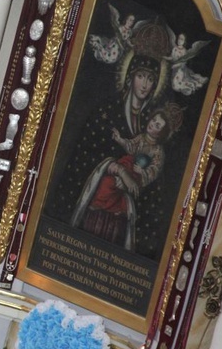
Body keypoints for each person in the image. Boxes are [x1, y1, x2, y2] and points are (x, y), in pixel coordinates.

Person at [71, 103, 183, 249]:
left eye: (157, 125)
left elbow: (154, 171)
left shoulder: (158, 151)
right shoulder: (141, 137)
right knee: (106, 183)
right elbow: (130, 146)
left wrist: (142, 172)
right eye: (153, 121)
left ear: (162, 133)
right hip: (126, 166)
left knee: (116, 191)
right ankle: (99, 203)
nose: (152, 125)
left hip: (136, 176)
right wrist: (119, 139)